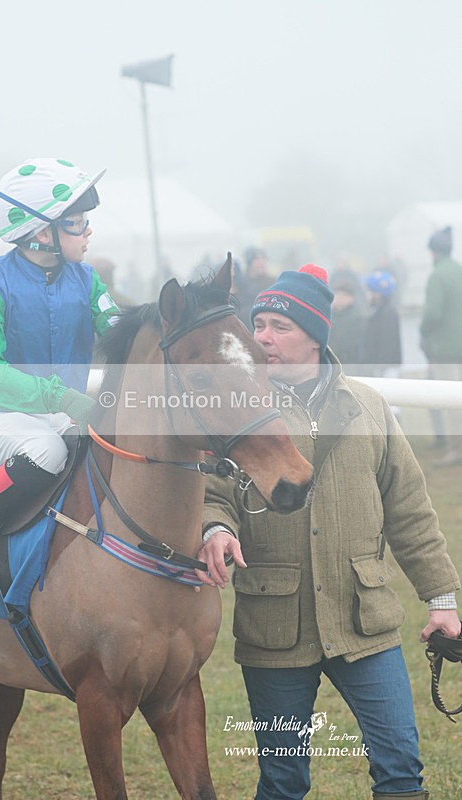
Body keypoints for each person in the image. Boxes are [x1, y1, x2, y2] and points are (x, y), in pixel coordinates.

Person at [196, 264, 460, 800]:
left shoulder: (369, 406)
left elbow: (410, 510)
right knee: (283, 781)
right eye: (259, 324)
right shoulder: (235, 409)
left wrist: (442, 600)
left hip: (366, 623)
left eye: (280, 326)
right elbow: (211, 493)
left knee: (402, 772)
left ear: (316, 336)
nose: (264, 337)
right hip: (275, 629)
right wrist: (216, 528)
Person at [0, 157, 119, 601]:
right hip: (1, 420)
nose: (88, 231)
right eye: (77, 223)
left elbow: (119, 330)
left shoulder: (88, 280)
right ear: (42, 233)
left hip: (64, 416)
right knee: (47, 450)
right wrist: (63, 398)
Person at [419, 226, 462, 466]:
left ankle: (457, 449)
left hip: (445, 349)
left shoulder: (437, 275)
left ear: (433, 252)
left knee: (450, 401)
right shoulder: (458, 270)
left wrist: (423, 331)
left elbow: (432, 313)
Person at [361, 270, 402, 377]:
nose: (366, 294)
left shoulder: (387, 314)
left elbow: (387, 343)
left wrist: (381, 366)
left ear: (378, 294)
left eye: (369, 291)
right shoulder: (375, 310)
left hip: (384, 369)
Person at [327, 277, 366, 373]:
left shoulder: (357, 319)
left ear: (352, 298)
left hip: (349, 364)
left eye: (344, 295)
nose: (340, 298)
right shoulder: (327, 315)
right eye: (338, 294)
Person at [234, 246, 273, 327]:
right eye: (257, 259)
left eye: (263, 259)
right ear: (249, 263)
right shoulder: (241, 283)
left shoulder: (271, 282)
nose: (261, 262)